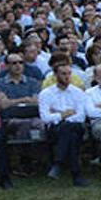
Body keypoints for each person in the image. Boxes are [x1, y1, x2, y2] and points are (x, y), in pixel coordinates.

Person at [38, 54, 90, 185]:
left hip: (75, 126)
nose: (67, 77)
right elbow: (45, 118)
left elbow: (80, 116)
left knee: (69, 128)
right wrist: (64, 114)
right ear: (55, 75)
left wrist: (58, 115)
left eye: (69, 74)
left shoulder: (78, 92)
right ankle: (76, 175)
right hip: (56, 130)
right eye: (63, 74)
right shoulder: (46, 94)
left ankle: (58, 163)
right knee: (70, 135)